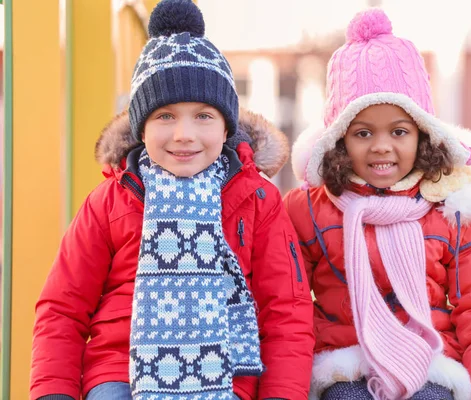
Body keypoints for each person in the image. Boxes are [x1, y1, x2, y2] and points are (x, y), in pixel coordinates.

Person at [30, 1, 314, 399]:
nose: (184, 134)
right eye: (165, 116)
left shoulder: (257, 200)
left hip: (228, 372)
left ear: (226, 126)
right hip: (120, 372)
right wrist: (54, 391)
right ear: (141, 126)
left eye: (203, 116)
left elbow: (286, 311)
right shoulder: (111, 200)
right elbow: (63, 305)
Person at [284, 8, 471, 400]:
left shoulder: (452, 208)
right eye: (363, 132)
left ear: (423, 135)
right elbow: (285, 298)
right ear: (339, 140)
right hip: (345, 362)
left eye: (399, 131)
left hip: (430, 360)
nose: (382, 146)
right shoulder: (311, 209)